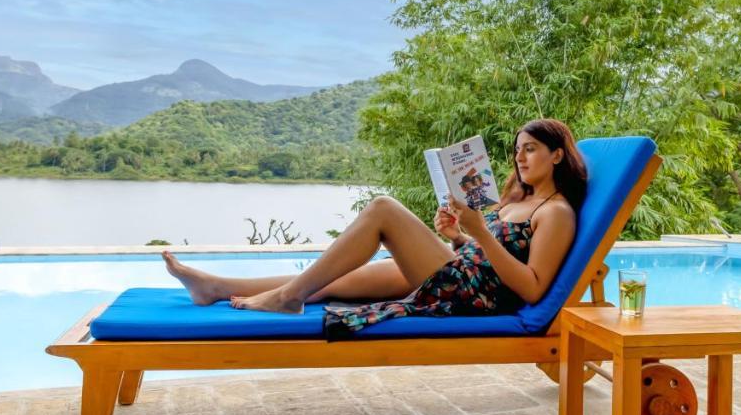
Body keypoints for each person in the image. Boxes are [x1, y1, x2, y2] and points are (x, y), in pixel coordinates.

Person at [162, 118, 588, 336]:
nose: (520, 158)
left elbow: (531, 288)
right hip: (461, 271)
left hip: (476, 297)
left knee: (383, 208)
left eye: (530, 150)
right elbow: (487, 250)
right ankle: (215, 287)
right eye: (517, 151)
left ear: (556, 155)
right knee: (331, 281)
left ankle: (288, 298)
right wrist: (459, 235)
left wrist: (477, 234)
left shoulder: (555, 213)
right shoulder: (521, 200)